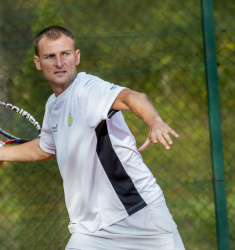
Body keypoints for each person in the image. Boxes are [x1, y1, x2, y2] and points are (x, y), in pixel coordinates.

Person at [0, 26, 185, 250]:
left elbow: (132, 97)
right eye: (50, 56)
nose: (59, 63)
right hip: (90, 231)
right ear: (38, 62)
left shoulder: (88, 90)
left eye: (65, 54)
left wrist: (155, 121)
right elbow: (45, 149)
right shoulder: (53, 104)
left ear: (76, 57)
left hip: (139, 218)